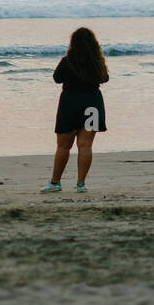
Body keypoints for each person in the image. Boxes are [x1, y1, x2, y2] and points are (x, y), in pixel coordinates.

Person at [40, 27, 108, 193]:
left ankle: (55, 183)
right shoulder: (96, 61)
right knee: (86, 146)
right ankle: (81, 184)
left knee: (63, 146)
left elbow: (57, 78)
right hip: (93, 103)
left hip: (70, 104)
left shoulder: (67, 61)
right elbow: (104, 78)